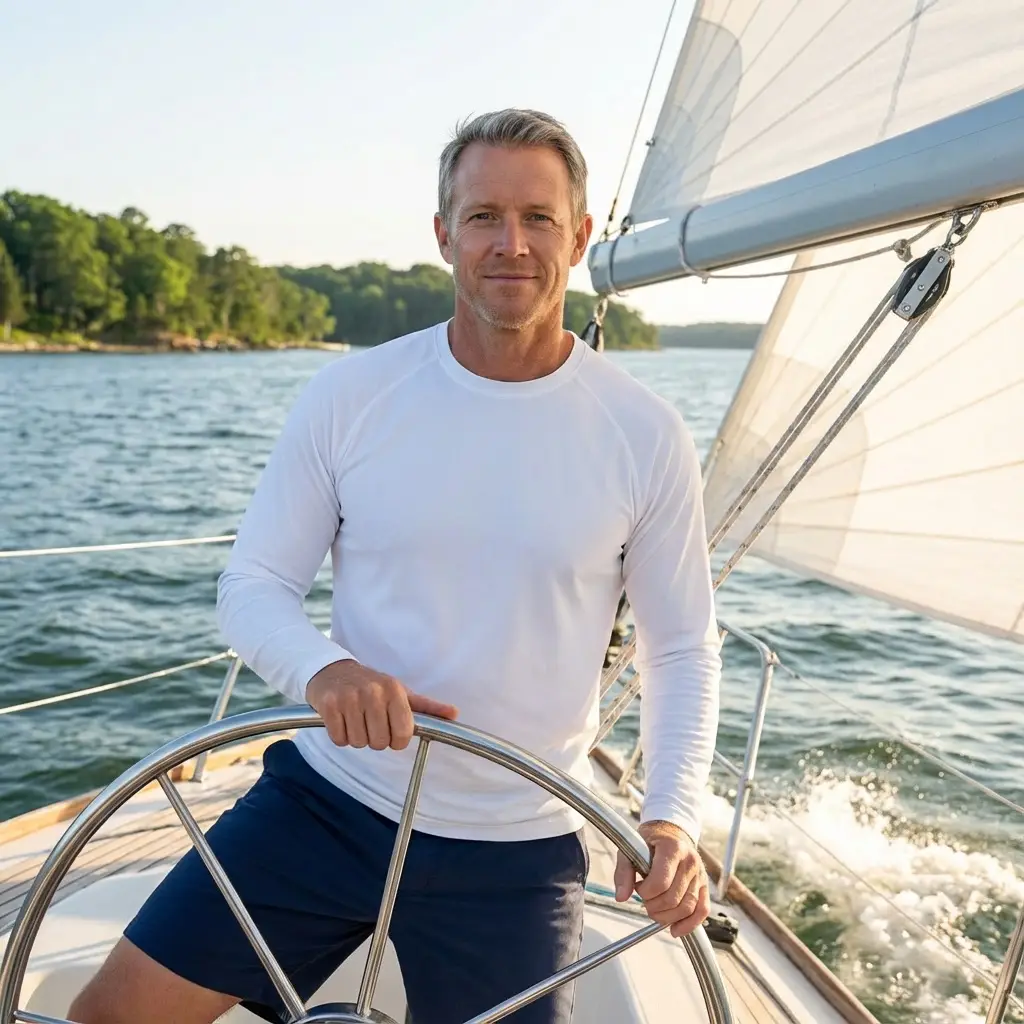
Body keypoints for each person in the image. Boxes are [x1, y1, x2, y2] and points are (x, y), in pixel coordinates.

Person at [69, 108, 721, 1024]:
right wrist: (325, 670)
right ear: (444, 233)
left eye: (537, 218)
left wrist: (670, 818)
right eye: (485, 215)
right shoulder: (352, 396)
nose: (511, 242)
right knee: (106, 1018)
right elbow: (253, 586)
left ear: (577, 238)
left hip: (515, 845)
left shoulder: (644, 433)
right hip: (331, 801)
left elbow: (682, 649)